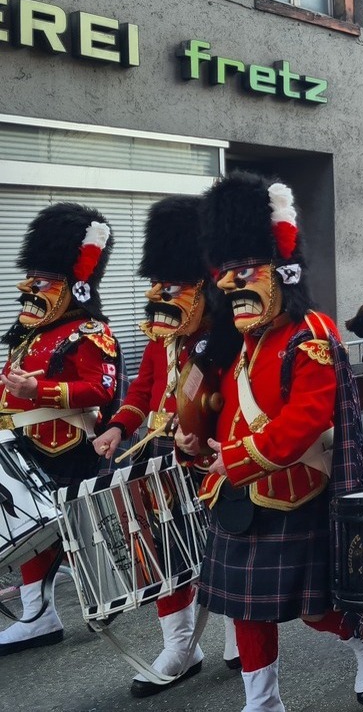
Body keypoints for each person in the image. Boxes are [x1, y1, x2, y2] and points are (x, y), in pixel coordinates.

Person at [192, 171, 363, 710]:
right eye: (227, 274)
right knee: (246, 609)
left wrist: (232, 460)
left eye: (246, 270)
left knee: (314, 608)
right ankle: (263, 702)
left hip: (294, 488)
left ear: (282, 271)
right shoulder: (236, 344)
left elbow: (306, 419)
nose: (234, 285)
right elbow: (219, 412)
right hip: (235, 491)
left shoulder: (313, 333)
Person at [91, 196, 241, 694]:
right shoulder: (162, 336)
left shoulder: (226, 335)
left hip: (211, 458)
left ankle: (235, 632)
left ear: (200, 288)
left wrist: (204, 437)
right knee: (163, 553)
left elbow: (237, 400)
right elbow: (140, 391)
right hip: (160, 456)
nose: (159, 294)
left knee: (221, 550)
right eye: (157, 285)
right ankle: (181, 645)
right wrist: (117, 426)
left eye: (171, 286)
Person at [0, 203, 118, 656]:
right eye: (31, 277)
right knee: (30, 538)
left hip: (67, 448)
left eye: (40, 279)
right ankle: (38, 616)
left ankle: (108, 596)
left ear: (72, 285)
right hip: (25, 449)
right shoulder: (29, 332)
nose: (26, 287)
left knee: (81, 533)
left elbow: (101, 389)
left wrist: (40, 390)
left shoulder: (90, 332)